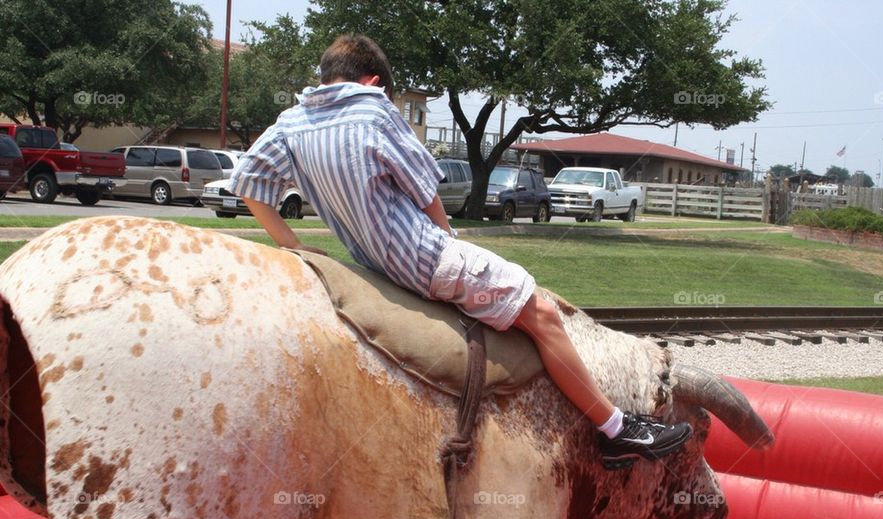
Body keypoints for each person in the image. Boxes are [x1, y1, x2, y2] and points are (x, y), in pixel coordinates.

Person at [229, 33, 691, 467]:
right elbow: (425, 187)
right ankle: (617, 429)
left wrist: (293, 245)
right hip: (426, 259)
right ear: (373, 81)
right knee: (543, 315)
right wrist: (449, 239)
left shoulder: (291, 122)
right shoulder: (371, 106)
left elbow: (248, 183)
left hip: (376, 265)